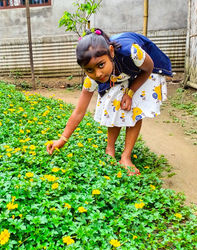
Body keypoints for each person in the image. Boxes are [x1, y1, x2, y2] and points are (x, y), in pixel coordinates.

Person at [46, 29, 172, 175]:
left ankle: (126, 157)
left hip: (145, 69)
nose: (97, 74)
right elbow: (79, 111)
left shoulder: (132, 52)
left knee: (134, 108)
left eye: (100, 65)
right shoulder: (93, 78)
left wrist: (130, 92)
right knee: (114, 105)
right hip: (117, 71)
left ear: (111, 52)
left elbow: (148, 68)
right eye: (89, 70)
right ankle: (109, 150)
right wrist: (62, 139)